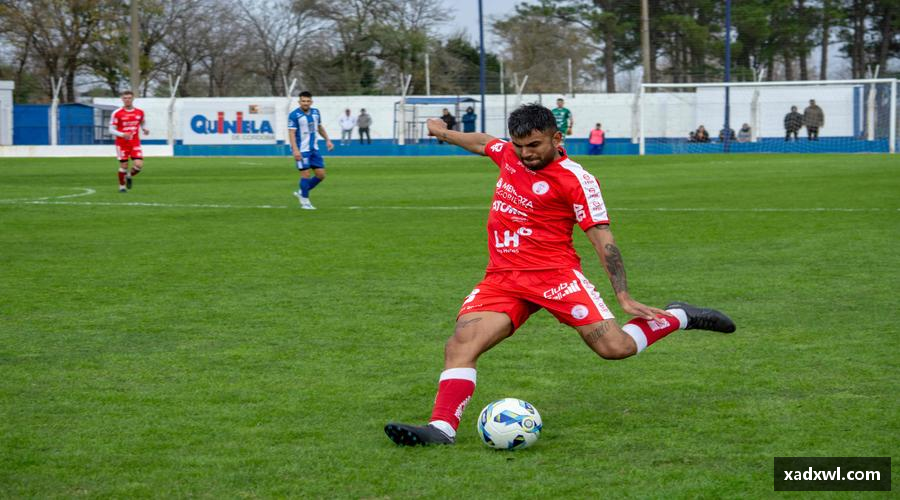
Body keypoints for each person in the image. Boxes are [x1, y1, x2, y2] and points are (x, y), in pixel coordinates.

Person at [384, 104, 736, 447]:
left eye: (534, 146)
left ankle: (678, 316)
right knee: (461, 343)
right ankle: (441, 428)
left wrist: (624, 295)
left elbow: (603, 240)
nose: (525, 154)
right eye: (519, 146)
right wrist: (444, 132)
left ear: (557, 137)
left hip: (556, 277)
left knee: (615, 348)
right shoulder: (510, 155)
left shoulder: (577, 180)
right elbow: (482, 142)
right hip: (504, 277)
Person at [288, 91, 334, 210]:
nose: (306, 103)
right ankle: (305, 202)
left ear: (311, 102)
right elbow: (291, 133)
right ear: (299, 102)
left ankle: (302, 192)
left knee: (321, 175)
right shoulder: (294, 115)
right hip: (302, 150)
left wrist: (328, 140)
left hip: (314, 149)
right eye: (303, 101)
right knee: (306, 174)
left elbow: (319, 127)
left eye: (308, 101)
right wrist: (295, 150)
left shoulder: (316, 112)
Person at [108, 90, 149, 193]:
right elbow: (111, 129)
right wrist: (122, 134)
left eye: (129, 98)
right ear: (122, 99)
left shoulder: (140, 112)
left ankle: (129, 175)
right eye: (125, 98)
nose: (127, 100)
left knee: (139, 165)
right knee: (124, 166)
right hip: (122, 144)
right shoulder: (117, 113)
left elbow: (142, 122)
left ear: (133, 98)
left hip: (134, 142)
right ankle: (122, 186)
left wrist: (145, 129)